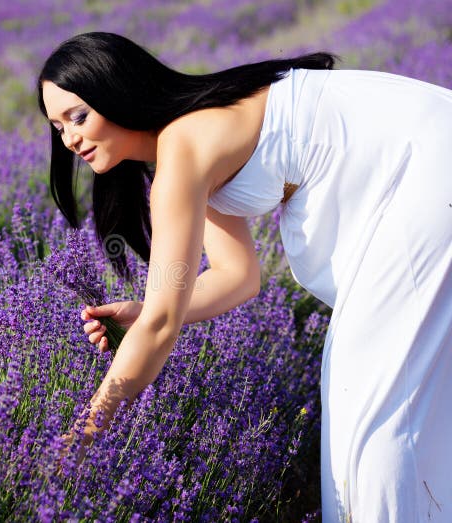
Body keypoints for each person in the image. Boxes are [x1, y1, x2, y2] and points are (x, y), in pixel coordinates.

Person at [37, 31, 452, 522]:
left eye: (79, 116)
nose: (70, 139)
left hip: (425, 170)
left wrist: (86, 432)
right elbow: (237, 276)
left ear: (117, 90)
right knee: (399, 389)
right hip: (427, 155)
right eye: (57, 126)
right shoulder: (190, 137)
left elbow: (162, 327)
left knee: (373, 400)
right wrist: (146, 311)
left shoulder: (184, 147)